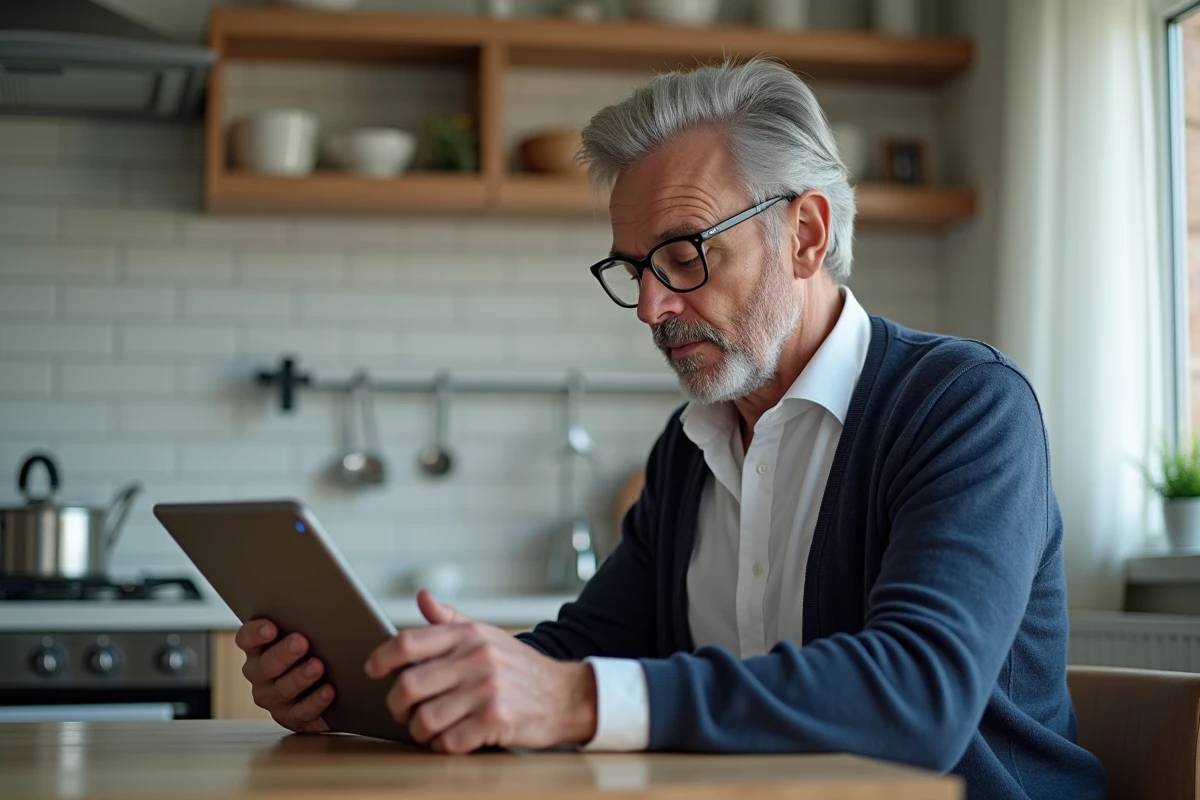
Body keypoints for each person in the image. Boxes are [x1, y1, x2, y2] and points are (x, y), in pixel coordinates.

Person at [233, 59, 1106, 799]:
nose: (652, 306)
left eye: (685, 255)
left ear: (805, 235)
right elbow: (581, 653)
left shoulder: (962, 406)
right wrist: (387, 683)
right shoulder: (691, 448)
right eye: (633, 269)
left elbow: (919, 700)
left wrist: (571, 699)